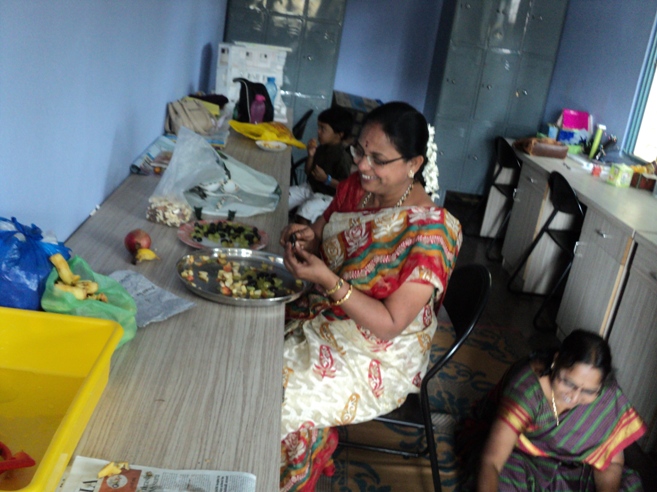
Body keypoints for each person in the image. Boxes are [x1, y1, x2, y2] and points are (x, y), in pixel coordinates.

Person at [278, 101, 462, 490]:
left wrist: (326, 279)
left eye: (378, 159)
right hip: (326, 313)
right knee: (252, 353)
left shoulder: (430, 232)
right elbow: (324, 229)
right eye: (359, 151)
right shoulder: (357, 188)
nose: (362, 165)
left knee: (276, 401)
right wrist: (307, 237)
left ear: (413, 164)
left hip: (378, 355)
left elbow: (391, 324)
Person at [476, 330, 647, 492]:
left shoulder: (606, 397)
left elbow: (612, 463)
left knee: (629, 483)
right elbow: (492, 462)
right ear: (556, 361)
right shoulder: (529, 391)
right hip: (525, 463)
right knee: (501, 477)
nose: (574, 397)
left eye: (588, 391)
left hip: (572, 470)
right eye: (568, 383)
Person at [288, 106, 354, 223]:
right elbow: (308, 171)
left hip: (327, 196)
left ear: (339, 134)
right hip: (311, 187)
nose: (318, 131)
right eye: (319, 127)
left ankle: (301, 232)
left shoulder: (343, 157)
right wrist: (311, 155)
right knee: (284, 197)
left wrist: (326, 179)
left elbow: (344, 187)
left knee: (305, 212)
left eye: (323, 129)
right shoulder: (322, 148)